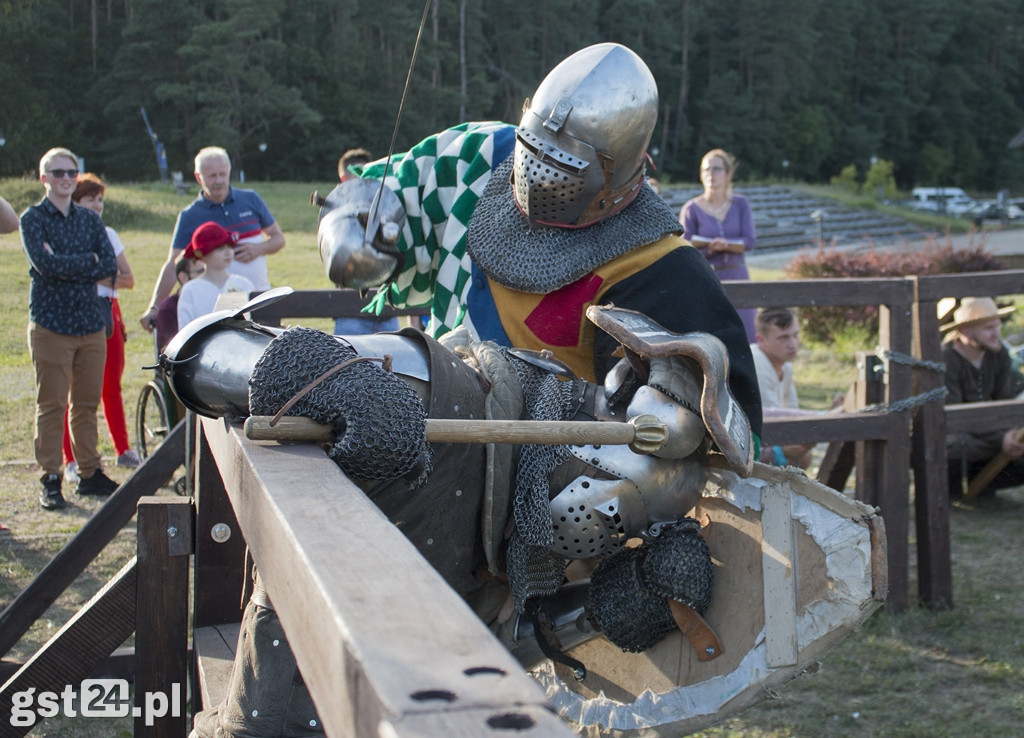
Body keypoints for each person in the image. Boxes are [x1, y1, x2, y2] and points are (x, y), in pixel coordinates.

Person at [191, 43, 762, 738]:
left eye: (565, 169)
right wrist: (354, 232)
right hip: (417, 410)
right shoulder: (481, 160)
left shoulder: (663, 276)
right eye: (532, 152)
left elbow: (729, 453)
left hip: (512, 528)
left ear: (621, 174)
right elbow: (369, 191)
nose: (536, 180)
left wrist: (658, 561)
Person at [20, 148, 120, 510]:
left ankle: (90, 474)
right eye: (57, 172)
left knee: (86, 404)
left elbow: (107, 265)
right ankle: (51, 477)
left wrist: (69, 263)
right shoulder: (32, 219)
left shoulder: (90, 220)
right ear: (43, 177)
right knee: (51, 404)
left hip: (91, 323)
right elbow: (44, 266)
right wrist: (85, 261)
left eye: (71, 172)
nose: (65, 178)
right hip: (51, 324)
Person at [140, 146, 284, 331]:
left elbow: (278, 239)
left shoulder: (251, 199)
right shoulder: (190, 216)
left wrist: (258, 249)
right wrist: (155, 306)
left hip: (259, 297)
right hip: (216, 306)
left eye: (222, 174)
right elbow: (174, 263)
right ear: (198, 177)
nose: (219, 180)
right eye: (212, 176)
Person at [61, 174, 140, 485]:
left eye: (99, 199)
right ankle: (71, 459)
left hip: (108, 312)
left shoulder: (109, 234)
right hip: (73, 313)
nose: (96, 205)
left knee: (111, 386)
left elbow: (128, 278)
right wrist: (100, 275)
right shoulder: (65, 233)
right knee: (73, 390)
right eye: (89, 199)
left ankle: (122, 448)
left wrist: (94, 277)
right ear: (75, 202)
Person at [942, 296, 1024, 496]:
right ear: (965, 331)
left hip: (988, 434)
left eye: (997, 326)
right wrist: (999, 439)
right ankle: (954, 488)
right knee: (957, 444)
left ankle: (986, 486)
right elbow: (953, 417)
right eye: (989, 328)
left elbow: (1004, 403)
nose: (997, 334)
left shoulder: (999, 354)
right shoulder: (945, 360)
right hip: (956, 435)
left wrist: (1010, 435)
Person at [678, 149, 758, 342]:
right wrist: (708, 249)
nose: (711, 174)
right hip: (707, 278)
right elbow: (683, 248)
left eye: (716, 169)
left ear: (728, 174)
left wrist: (727, 245)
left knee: (747, 335)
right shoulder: (692, 208)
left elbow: (750, 241)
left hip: (737, 274)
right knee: (712, 338)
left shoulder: (740, 204)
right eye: (706, 169)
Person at [332, 147, 400, 336]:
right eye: (360, 174)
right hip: (350, 314)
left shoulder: (386, 205)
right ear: (345, 179)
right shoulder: (336, 213)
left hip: (388, 311)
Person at [750, 307, 820, 469]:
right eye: (783, 338)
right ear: (761, 340)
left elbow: (791, 414)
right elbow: (773, 426)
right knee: (801, 454)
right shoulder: (758, 365)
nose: (792, 344)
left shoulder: (785, 367)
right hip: (745, 447)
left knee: (803, 451)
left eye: (795, 335)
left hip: (761, 440)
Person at [177, 222, 255, 328]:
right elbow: (185, 329)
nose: (228, 252)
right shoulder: (191, 290)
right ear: (203, 255)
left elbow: (254, 323)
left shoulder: (244, 284)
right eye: (220, 248)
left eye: (229, 246)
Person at [155, 256, 205, 353]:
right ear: (183, 277)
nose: (205, 277)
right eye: (200, 272)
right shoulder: (168, 309)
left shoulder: (208, 299)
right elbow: (169, 353)